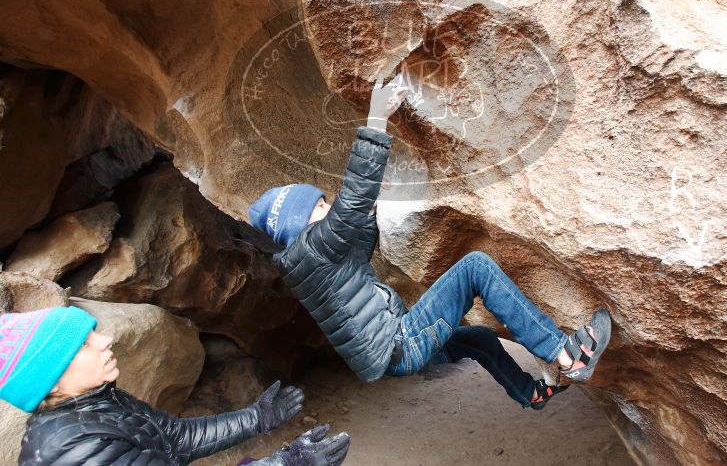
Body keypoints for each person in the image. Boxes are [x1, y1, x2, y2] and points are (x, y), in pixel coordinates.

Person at [248, 73, 612, 410]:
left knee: (480, 341)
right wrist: (377, 119)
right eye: (319, 206)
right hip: (401, 343)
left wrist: (370, 210)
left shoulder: (310, 265)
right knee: (476, 268)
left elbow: (355, 248)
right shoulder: (311, 250)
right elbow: (350, 202)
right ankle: (566, 355)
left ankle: (529, 393)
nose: (327, 207)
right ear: (297, 227)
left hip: (390, 356)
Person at [0, 306, 350, 465]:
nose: (104, 340)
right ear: (51, 383)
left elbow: (176, 439)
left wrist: (257, 417)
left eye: (93, 332)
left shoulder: (96, 403)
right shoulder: (74, 448)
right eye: (83, 345)